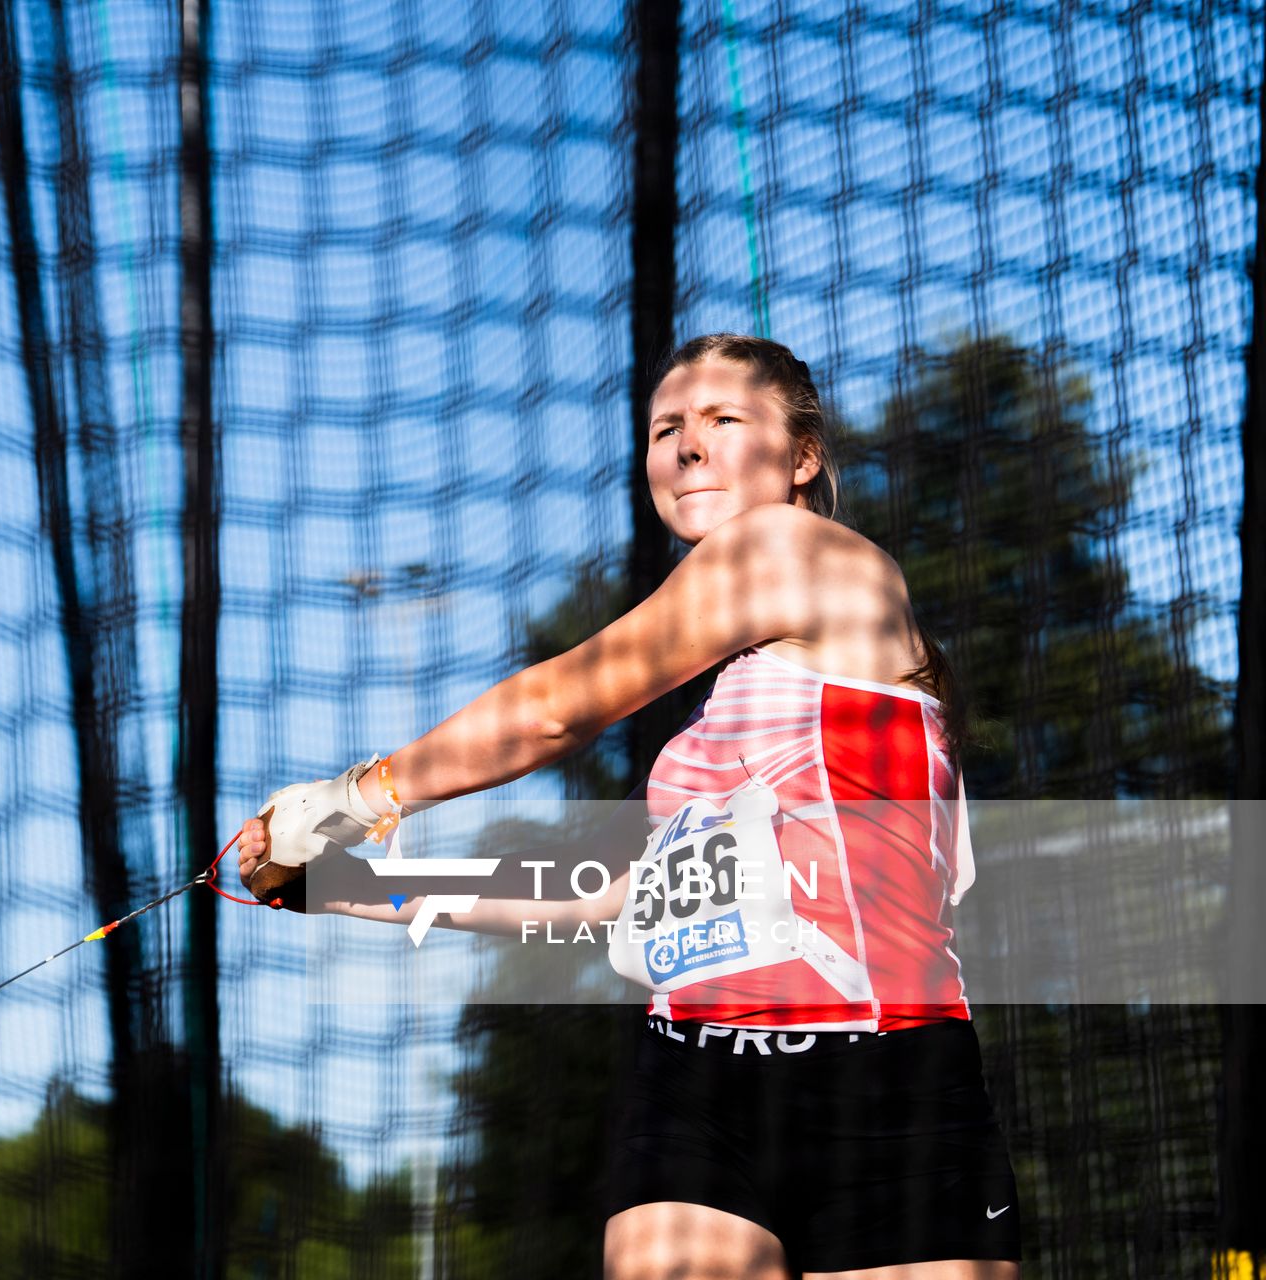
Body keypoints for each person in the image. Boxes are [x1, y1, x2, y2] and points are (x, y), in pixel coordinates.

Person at [235, 335, 1021, 1279]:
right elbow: (591, 897)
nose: (686, 447)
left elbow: (557, 709)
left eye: (723, 420)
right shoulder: (721, 721)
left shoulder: (799, 552)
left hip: (884, 1083)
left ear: (803, 456)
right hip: (695, 1078)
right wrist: (339, 884)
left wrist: (357, 797)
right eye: (665, 430)